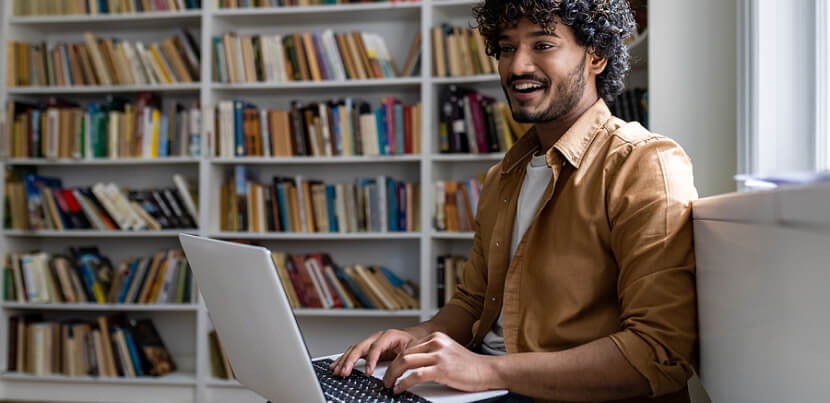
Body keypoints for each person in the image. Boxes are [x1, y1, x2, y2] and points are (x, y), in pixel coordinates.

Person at [330, 0, 698, 401]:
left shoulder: (643, 163)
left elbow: (658, 352)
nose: (517, 66)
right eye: (507, 48)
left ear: (596, 56)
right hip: (484, 388)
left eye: (542, 45)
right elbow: (473, 303)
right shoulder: (504, 176)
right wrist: (415, 337)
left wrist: (484, 370)